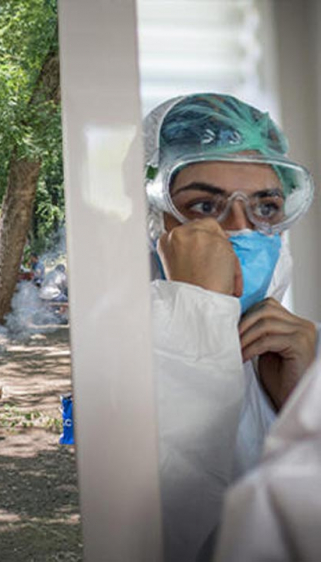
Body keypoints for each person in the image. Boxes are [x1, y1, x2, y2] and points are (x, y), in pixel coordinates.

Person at [142, 93, 320, 560]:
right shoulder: (117, 353)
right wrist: (196, 317)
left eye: (265, 207)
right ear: (149, 217)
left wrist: (300, 411)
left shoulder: (304, 351)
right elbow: (155, 536)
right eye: (204, 206)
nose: (238, 229)